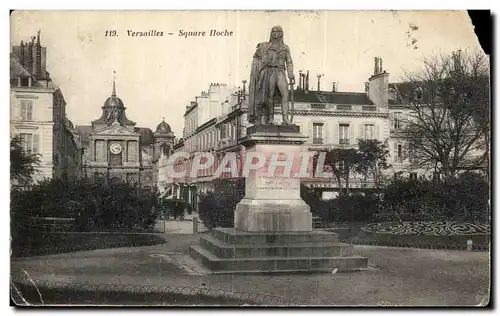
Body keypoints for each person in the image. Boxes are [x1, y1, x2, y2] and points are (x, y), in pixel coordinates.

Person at [248, 25, 295, 125]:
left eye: (277, 31)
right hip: (270, 71)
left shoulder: (285, 48)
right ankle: (270, 118)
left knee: (285, 94)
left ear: (281, 33)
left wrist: (290, 73)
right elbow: (257, 60)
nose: (275, 33)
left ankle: (285, 118)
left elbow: (289, 61)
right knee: (270, 95)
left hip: (281, 71)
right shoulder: (266, 47)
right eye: (273, 31)